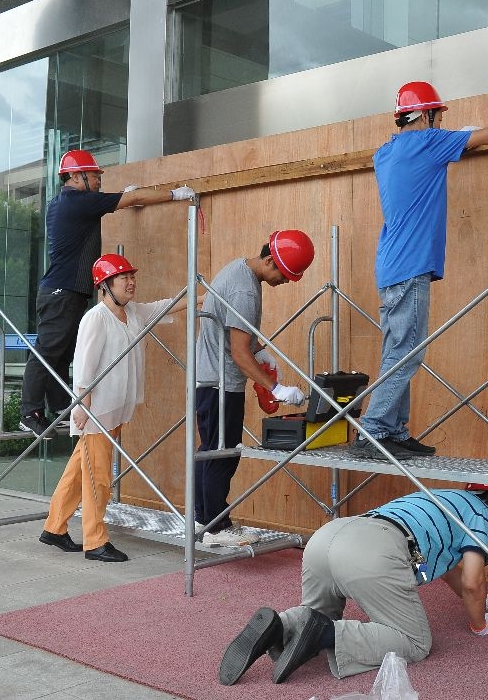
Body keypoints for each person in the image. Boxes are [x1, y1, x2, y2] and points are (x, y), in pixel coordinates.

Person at [351, 81, 488, 461]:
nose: (441, 121)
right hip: (410, 267)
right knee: (407, 353)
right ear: (425, 114)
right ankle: (374, 431)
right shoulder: (430, 144)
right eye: (438, 115)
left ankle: (394, 429)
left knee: (397, 350)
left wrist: (449, 135)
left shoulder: (386, 153)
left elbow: (448, 140)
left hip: (392, 265)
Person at [218, 483, 488, 685]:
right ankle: (327, 635)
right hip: (375, 549)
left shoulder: (440, 498)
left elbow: (450, 568)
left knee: (315, 614)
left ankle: (281, 625)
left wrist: (486, 600)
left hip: (329, 537)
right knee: (415, 643)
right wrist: (481, 623)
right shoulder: (480, 513)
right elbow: (471, 580)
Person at [20, 149, 194, 437]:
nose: (99, 180)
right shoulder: (76, 202)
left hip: (67, 291)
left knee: (62, 353)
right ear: (76, 177)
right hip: (61, 291)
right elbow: (134, 199)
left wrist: (121, 195)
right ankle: (30, 412)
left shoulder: (66, 203)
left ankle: (61, 406)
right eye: (94, 176)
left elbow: (118, 201)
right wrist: (175, 194)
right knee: (48, 352)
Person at [39, 255, 193, 562]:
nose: (131, 282)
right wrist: (82, 405)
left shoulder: (133, 312)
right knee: (97, 476)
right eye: (124, 278)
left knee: (79, 469)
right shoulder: (96, 318)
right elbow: (84, 364)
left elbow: (163, 306)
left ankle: (54, 527)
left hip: (117, 408)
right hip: (97, 409)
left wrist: (198, 295)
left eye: (132, 277)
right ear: (105, 285)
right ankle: (95, 541)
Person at [194, 231, 314, 547]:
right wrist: (276, 389)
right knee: (223, 454)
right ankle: (216, 528)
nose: (285, 282)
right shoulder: (246, 292)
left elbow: (241, 341)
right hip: (222, 382)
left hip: (211, 378)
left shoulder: (237, 269)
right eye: (284, 275)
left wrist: (260, 351)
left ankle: (202, 519)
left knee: (210, 450)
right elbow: (238, 351)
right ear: (269, 260)